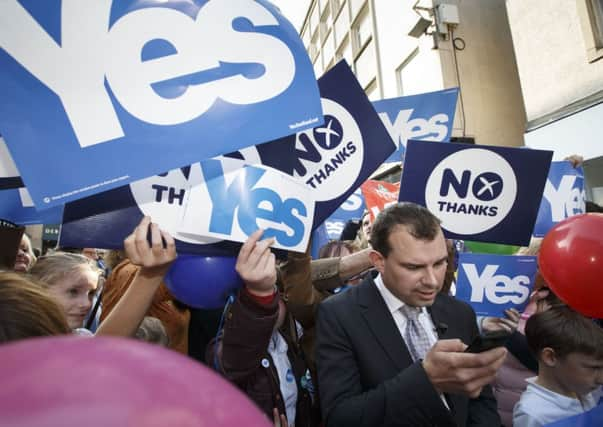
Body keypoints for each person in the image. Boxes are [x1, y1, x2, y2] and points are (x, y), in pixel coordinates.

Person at [315, 202, 506, 426]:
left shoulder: (459, 313)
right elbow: (340, 418)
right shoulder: (339, 315)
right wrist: (427, 379)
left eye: (439, 263)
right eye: (414, 267)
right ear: (379, 262)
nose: (432, 281)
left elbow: (480, 401)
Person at [209, 229, 319, 427]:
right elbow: (237, 361)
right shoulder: (222, 350)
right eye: (269, 296)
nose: (272, 304)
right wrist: (259, 293)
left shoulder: (292, 346)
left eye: (277, 296)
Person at [513, 306, 603, 427]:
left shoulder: (584, 390)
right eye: (593, 368)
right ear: (550, 357)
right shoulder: (533, 414)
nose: (601, 379)